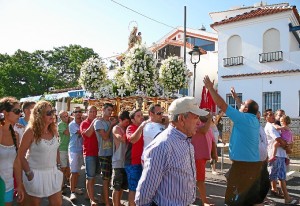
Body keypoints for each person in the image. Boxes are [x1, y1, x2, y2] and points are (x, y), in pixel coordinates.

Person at [135, 97, 208, 205]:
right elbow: (143, 197)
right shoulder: (162, 146)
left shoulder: (185, 141)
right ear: (182, 119)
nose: (199, 122)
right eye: (196, 117)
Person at [203, 76, 262, 205]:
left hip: (243, 165)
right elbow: (245, 107)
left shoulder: (242, 118)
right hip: (252, 164)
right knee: (249, 197)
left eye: (242, 105)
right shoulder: (254, 119)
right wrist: (236, 98)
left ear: (245, 110)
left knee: (234, 198)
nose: (239, 106)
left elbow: (222, 105)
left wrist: (210, 88)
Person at [19, 100, 62, 205]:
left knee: (57, 203)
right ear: (39, 115)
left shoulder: (54, 130)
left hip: (52, 172)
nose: (52, 115)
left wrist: (59, 166)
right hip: (35, 173)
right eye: (48, 113)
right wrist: (29, 174)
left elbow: (56, 149)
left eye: (52, 111)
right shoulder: (30, 131)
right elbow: (20, 155)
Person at [264, 109, 298, 204]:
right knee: (273, 176)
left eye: (282, 115)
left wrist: (287, 153)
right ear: (266, 117)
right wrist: (287, 148)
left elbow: (288, 139)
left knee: (280, 176)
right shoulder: (271, 127)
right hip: (275, 156)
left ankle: (284, 196)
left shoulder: (280, 127)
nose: (277, 117)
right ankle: (264, 197)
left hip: (281, 155)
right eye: (278, 115)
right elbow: (279, 140)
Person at [0, 97, 24, 206]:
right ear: (5, 113)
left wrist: (19, 185)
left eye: (20, 111)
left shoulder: (16, 135)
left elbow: (16, 162)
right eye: (17, 111)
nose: (19, 114)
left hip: (8, 185)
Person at [191, 112, 217, 206]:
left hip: (202, 157)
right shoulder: (196, 125)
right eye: (205, 113)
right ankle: (205, 201)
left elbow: (213, 141)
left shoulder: (207, 126)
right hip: (197, 157)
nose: (207, 114)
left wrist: (214, 153)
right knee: (200, 180)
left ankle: (193, 196)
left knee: (196, 178)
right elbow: (204, 130)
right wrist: (210, 118)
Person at [94, 103, 117, 206]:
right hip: (103, 153)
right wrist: (112, 125)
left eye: (111, 110)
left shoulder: (110, 121)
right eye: (108, 110)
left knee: (108, 179)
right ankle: (107, 203)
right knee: (105, 179)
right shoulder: (98, 122)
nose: (110, 112)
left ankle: (104, 199)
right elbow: (105, 137)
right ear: (103, 110)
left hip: (111, 153)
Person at [125, 109, 148, 206]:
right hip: (133, 163)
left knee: (141, 188)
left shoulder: (145, 127)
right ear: (133, 120)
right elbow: (133, 140)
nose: (141, 117)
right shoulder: (130, 127)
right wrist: (141, 127)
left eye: (142, 115)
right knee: (133, 189)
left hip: (143, 162)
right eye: (138, 116)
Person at [80, 106, 99, 206]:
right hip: (89, 153)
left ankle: (89, 195)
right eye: (90, 111)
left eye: (94, 111)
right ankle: (92, 200)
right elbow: (88, 134)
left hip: (97, 153)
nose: (92, 113)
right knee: (90, 177)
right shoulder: (84, 123)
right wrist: (93, 123)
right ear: (87, 113)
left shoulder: (97, 122)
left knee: (93, 176)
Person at [112, 111, 130, 206]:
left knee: (122, 186)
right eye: (126, 122)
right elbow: (122, 139)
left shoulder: (125, 128)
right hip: (118, 161)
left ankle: (118, 203)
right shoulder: (116, 128)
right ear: (120, 120)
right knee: (116, 187)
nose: (127, 124)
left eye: (128, 122)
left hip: (125, 161)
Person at [68, 107, 84, 201]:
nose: (78, 113)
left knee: (77, 172)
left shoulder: (82, 122)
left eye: (80, 111)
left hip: (81, 149)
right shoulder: (72, 124)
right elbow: (81, 132)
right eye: (76, 112)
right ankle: (72, 192)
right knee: (73, 172)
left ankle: (75, 188)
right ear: (73, 114)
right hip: (73, 150)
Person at [57, 110, 71, 192]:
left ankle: (67, 183)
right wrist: (70, 124)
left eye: (67, 116)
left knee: (68, 168)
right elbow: (67, 133)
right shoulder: (60, 125)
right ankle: (60, 185)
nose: (66, 117)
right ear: (61, 118)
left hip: (69, 148)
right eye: (64, 116)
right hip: (63, 149)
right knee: (63, 168)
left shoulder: (68, 123)